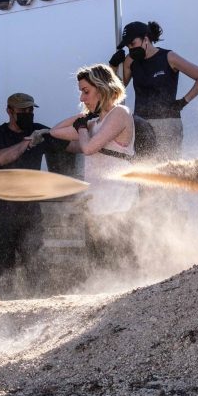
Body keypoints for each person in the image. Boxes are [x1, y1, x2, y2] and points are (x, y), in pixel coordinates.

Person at [48, 64, 138, 267]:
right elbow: (55, 131)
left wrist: (81, 127)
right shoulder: (94, 123)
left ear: (103, 88)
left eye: (86, 92)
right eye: (81, 92)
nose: (82, 98)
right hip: (96, 207)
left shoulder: (120, 113)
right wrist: (83, 119)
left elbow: (88, 148)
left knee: (118, 266)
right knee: (97, 267)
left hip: (119, 206)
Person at [0, 93, 51, 294]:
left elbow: (69, 144)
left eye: (31, 111)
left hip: (28, 209)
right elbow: (0, 158)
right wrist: (27, 143)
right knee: (3, 268)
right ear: (9, 111)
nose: (28, 114)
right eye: (22, 111)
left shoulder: (39, 131)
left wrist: (84, 127)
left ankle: (38, 307)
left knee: (36, 263)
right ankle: (4, 309)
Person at [109, 21, 198, 160]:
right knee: (143, 167)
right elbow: (116, 91)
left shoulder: (169, 57)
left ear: (146, 39)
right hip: (141, 122)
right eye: (128, 46)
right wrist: (113, 67)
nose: (130, 49)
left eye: (132, 44)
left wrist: (183, 101)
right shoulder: (130, 61)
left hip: (167, 123)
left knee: (167, 169)